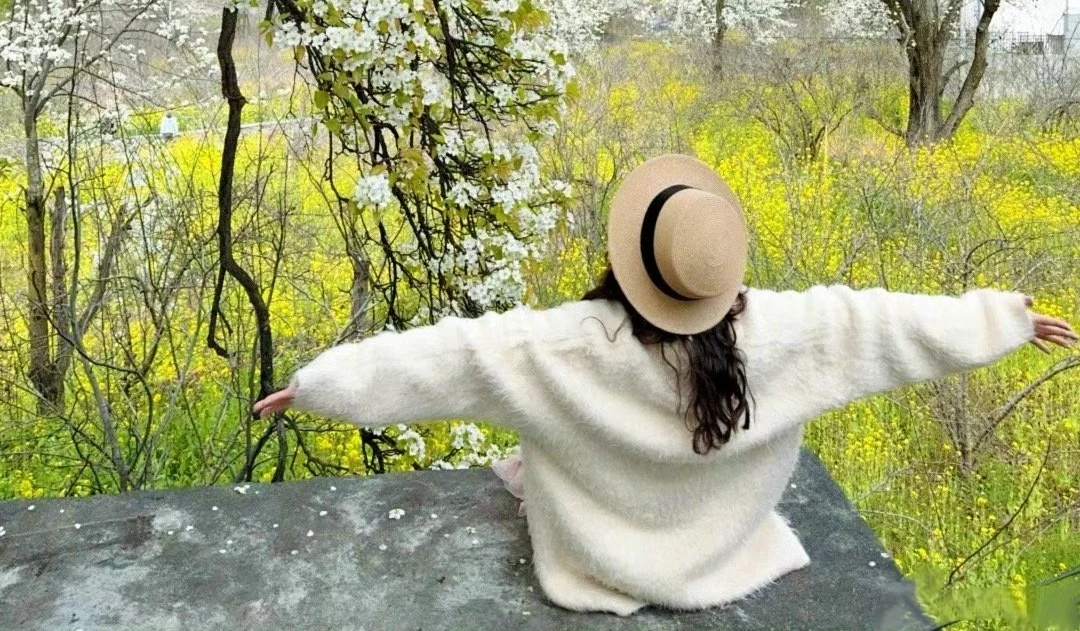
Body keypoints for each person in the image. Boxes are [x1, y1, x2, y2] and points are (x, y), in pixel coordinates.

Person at [254, 153, 1076, 616]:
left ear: (628, 260)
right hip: (725, 554)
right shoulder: (785, 332)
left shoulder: (563, 347)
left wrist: (318, 387)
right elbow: (882, 323)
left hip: (593, 568)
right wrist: (1002, 320)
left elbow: (447, 357)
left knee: (533, 446)